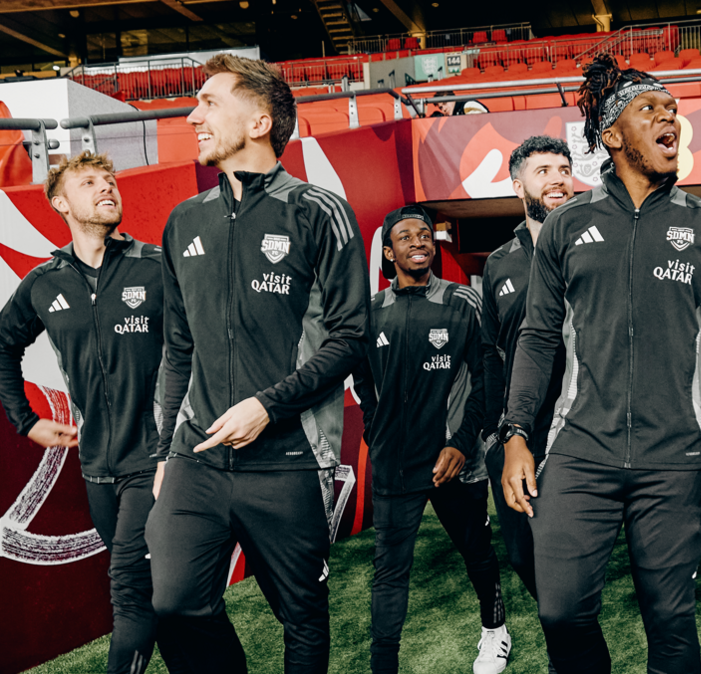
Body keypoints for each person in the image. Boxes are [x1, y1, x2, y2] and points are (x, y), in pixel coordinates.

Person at [499, 53, 701, 674]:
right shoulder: (567, 225)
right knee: (561, 612)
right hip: (579, 451)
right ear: (612, 136)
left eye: (673, 111)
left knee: (670, 621)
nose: (670, 119)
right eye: (651, 110)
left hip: (676, 455)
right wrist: (516, 433)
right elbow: (537, 337)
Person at [145, 54, 370, 673]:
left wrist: (268, 405)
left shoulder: (318, 211)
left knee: (301, 618)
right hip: (198, 454)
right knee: (175, 606)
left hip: (289, 458)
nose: (193, 116)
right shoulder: (184, 221)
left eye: (210, 103)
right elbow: (178, 350)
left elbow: (352, 337)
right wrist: (167, 452)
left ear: (261, 120)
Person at [0, 151, 177, 674]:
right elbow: (3, 346)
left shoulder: (155, 266)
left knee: (127, 589)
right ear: (61, 203)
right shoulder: (44, 282)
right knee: (155, 601)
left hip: (158, 461)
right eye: (89, 182)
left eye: (110, 180)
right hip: (97, 469)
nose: (106, 188)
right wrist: (26, 420)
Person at [354, 205, 510, 674]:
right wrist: (374, 430)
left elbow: (488, 376)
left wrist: (463, 443)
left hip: (453, 462)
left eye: (426, 235)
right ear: (389, 251)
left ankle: (495, 631)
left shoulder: (462, 301)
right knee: (389, 571)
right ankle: (385, 664)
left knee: (477, 554)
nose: (419, 242)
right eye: (406, 236)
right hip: (395, 465)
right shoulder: (370, 312)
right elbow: (363, 381)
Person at [480, 136, 572, 620]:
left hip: (580, 425)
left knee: (574, 545)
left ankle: (570, 632)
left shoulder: (593, 247)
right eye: (543, 171)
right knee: (521, 553)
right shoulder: (499, 262)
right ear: (518, 185)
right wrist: (499, 431)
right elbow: (489, 352)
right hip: (518, 432)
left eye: (563, 168)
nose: (557, 178)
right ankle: (562, 619)